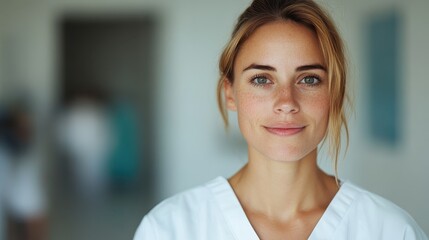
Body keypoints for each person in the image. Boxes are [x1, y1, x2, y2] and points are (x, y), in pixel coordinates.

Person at [133, 0, 428, 239]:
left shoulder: (389, 230)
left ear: (334, 93)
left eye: (309, 79)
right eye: (262, 79)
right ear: (230, 94)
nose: (286, 103)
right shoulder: (169, 229)